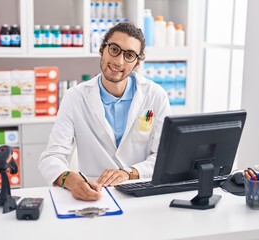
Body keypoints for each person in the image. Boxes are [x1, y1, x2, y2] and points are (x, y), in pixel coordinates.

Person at [39, 22, 171, 201]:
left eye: (129, 55)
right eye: (114, 49)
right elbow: (52, 156)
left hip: (140, 191)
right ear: (102, 49)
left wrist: (130, 173)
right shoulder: (75, 97)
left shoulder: (155, 95)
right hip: (94, 191)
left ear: (137, 63)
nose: (119, 61)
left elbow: (164, 157)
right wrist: (70, 180)